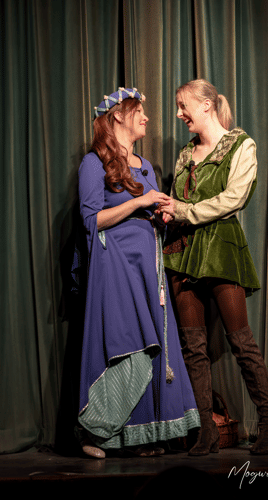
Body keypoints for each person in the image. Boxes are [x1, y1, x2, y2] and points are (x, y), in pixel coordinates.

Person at [76, 88, 200, 459]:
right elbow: (91, 220)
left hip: (148, 268)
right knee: (123, 341)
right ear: (117, 116)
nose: (146, 118)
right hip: (114, 268)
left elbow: (146, 214)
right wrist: (140, 202)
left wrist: (159, 215)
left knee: (152, 348)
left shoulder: (144, 166)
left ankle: (143, 435)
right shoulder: (93, 163)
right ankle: (96, 434)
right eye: (139, 111)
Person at [158, 78, 268, 456]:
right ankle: (206, 431)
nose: (179, 113)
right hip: (183, 250)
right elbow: (177, 199)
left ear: (206, 105)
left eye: (183, 105)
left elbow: (233, 198)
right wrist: (166, 210)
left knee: (241, 342)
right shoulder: (184, 154)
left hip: (221, 249)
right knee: (193, 347)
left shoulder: (242, 145)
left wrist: (183, 210)